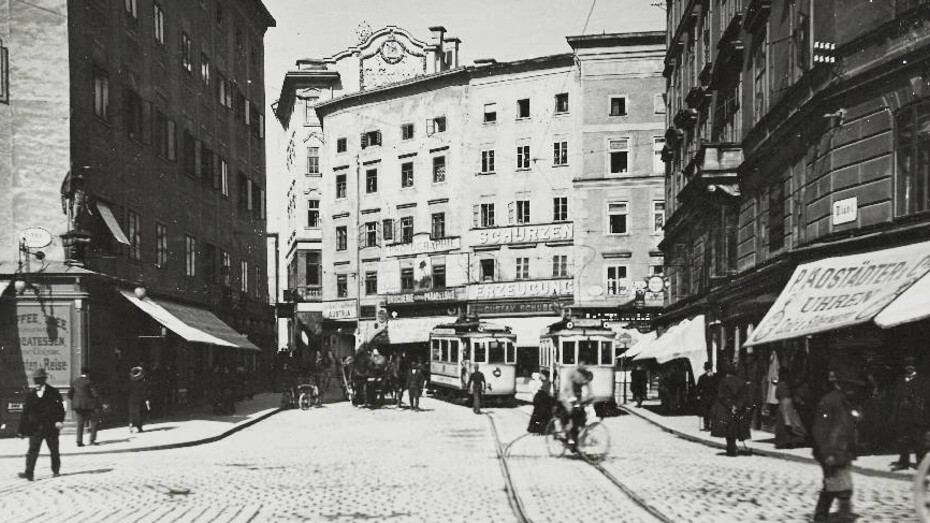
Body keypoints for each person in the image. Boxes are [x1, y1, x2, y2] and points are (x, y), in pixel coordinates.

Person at [812, 369, 861, 522]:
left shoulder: (844, 401)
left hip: (841, 451)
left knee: (841, 488)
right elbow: (820, 429)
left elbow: (847, 426)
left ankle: (833, 517)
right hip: (831, 453)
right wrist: (828, 454)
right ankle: (821, 518)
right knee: (833, 487)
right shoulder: (829, 401)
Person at [18, 368, 65, 481]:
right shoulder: (31, 394)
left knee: (54, 450)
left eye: (38, 379)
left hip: (51, 427)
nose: (36, 381)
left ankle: (56, 470)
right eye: (35, 379)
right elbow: (25, 413)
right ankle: (29, 473)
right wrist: (22, 430)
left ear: (44, 379)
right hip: (35, 428)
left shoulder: (53, 392)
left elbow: (61, 409)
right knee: (33, 450)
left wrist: (59, 421)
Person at [889, 356, 930, 471]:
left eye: (912, 365)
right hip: (902, 415)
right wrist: (894, 414)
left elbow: (927, 399)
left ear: (915, 367)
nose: (909, 368)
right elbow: (896, 399)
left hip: (917, 416)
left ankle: (921, 464)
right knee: (902, 440)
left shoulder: (923, 381)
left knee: (919, 441)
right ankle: (903, 462)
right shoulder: (900, 381)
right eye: (907, 365)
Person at [711, 362, 751, 457]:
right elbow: (743, 397)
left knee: (728, 429)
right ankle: (733, 447)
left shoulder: (723, 382)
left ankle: (731, 448)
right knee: (735, 428)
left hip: (726, 410)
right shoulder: (741, 382)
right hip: (738, 410)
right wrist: (736, 406)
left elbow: (721, 396)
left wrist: (730, 405)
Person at [558, 365, 594, 447]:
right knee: (571, 414)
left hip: (576, 400)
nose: (585, 382)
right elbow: (569, 392)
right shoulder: (572, 380)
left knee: (582, 417)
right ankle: (567, 434)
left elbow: (590, 393)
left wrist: (589, 398)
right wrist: (573, 400)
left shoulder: (584, 380)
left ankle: (577, 439)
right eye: (584, 380)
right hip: (566, 398)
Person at [774, 368, 808, 449]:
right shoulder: (789, 384)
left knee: (782, 423)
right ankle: (790, 441)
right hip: (789, 404)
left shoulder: (780, 385)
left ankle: (781, 442)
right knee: (791, 423)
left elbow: (777, 395)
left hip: (782, 404)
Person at [68, 367, 99, 447]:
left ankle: (79, 441)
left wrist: (75, 400)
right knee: (94, 422)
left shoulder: (75, 381)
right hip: (90, 405)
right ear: (88, 374)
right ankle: (92, 440)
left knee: (80, 423)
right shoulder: (89, 382)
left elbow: (69, 394)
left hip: (78, 405)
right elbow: (95, 394)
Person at [527, 369, 555, 434]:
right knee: (537, 417)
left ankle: (541, 430)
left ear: (544, 375)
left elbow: (551, 393)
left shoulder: (548, 383)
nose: (540, 375)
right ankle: (536, 430)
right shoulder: (540, 382)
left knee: (542, 417)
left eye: (541, 374)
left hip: (544, 403)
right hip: (539, 403)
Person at [695, 362, 718, 431]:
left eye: (709, 369)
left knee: (712, 412)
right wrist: (698, 394)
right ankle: (707, 426)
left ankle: (712, 426)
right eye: (707, 369)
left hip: (713, 397)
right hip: (705, 397)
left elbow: (717, 387)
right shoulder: (702, 377)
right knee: (706, 412)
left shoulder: (715, 377)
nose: (708, 370)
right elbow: (698, 387)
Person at [127, 366, 150, 433]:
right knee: (140, 414)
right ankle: (139, 427)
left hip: (131, 399)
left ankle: (130, 424)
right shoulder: (142, 382)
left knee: (132, 414)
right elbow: (144, 391)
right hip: (140, 399)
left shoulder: (130, 382)